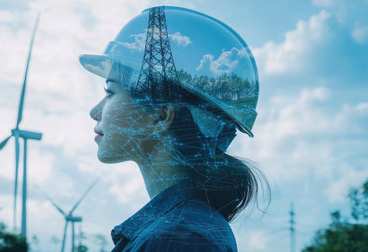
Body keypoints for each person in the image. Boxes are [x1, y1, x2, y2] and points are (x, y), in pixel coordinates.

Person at [79, 6, 268, 252]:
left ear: (160, 116)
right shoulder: (181, 231)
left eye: (110, 92)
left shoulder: (179, 237)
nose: (94, 111)